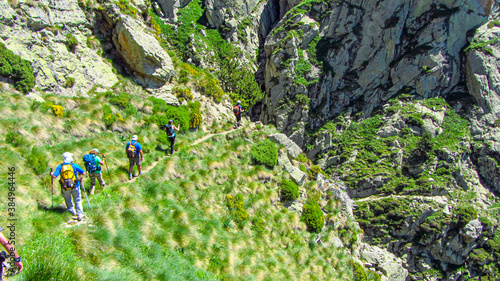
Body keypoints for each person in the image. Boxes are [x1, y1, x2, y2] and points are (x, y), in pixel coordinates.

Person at [50, 152, 85, 221]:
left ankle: (71, 212)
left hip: (65, 187)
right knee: (77, 199)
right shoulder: (74, 165)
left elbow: (54, 176)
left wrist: (51, 174)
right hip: (75, 186)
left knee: (67, 199)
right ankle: (80, 214)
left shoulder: (60, 166)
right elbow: (83, 172)